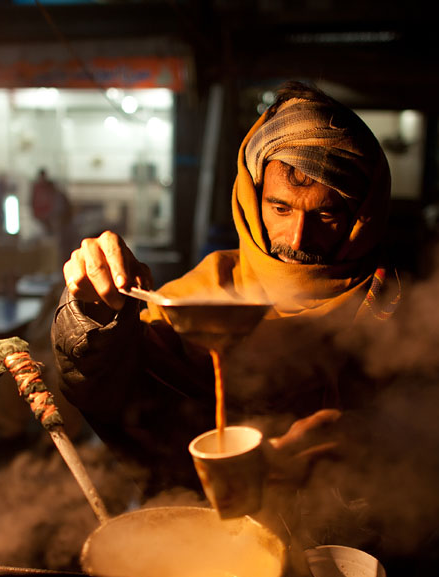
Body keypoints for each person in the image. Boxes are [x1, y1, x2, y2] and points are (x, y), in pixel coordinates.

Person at [51, 81, 399, 500]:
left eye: (326, 214)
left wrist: (366, 444)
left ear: (364, 216)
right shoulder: (204, 293)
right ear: (252, 198)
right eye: (280, 207)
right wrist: (92, 311)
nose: (298, 236)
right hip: (200, 528)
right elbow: (103, 388)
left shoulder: (397, 308)